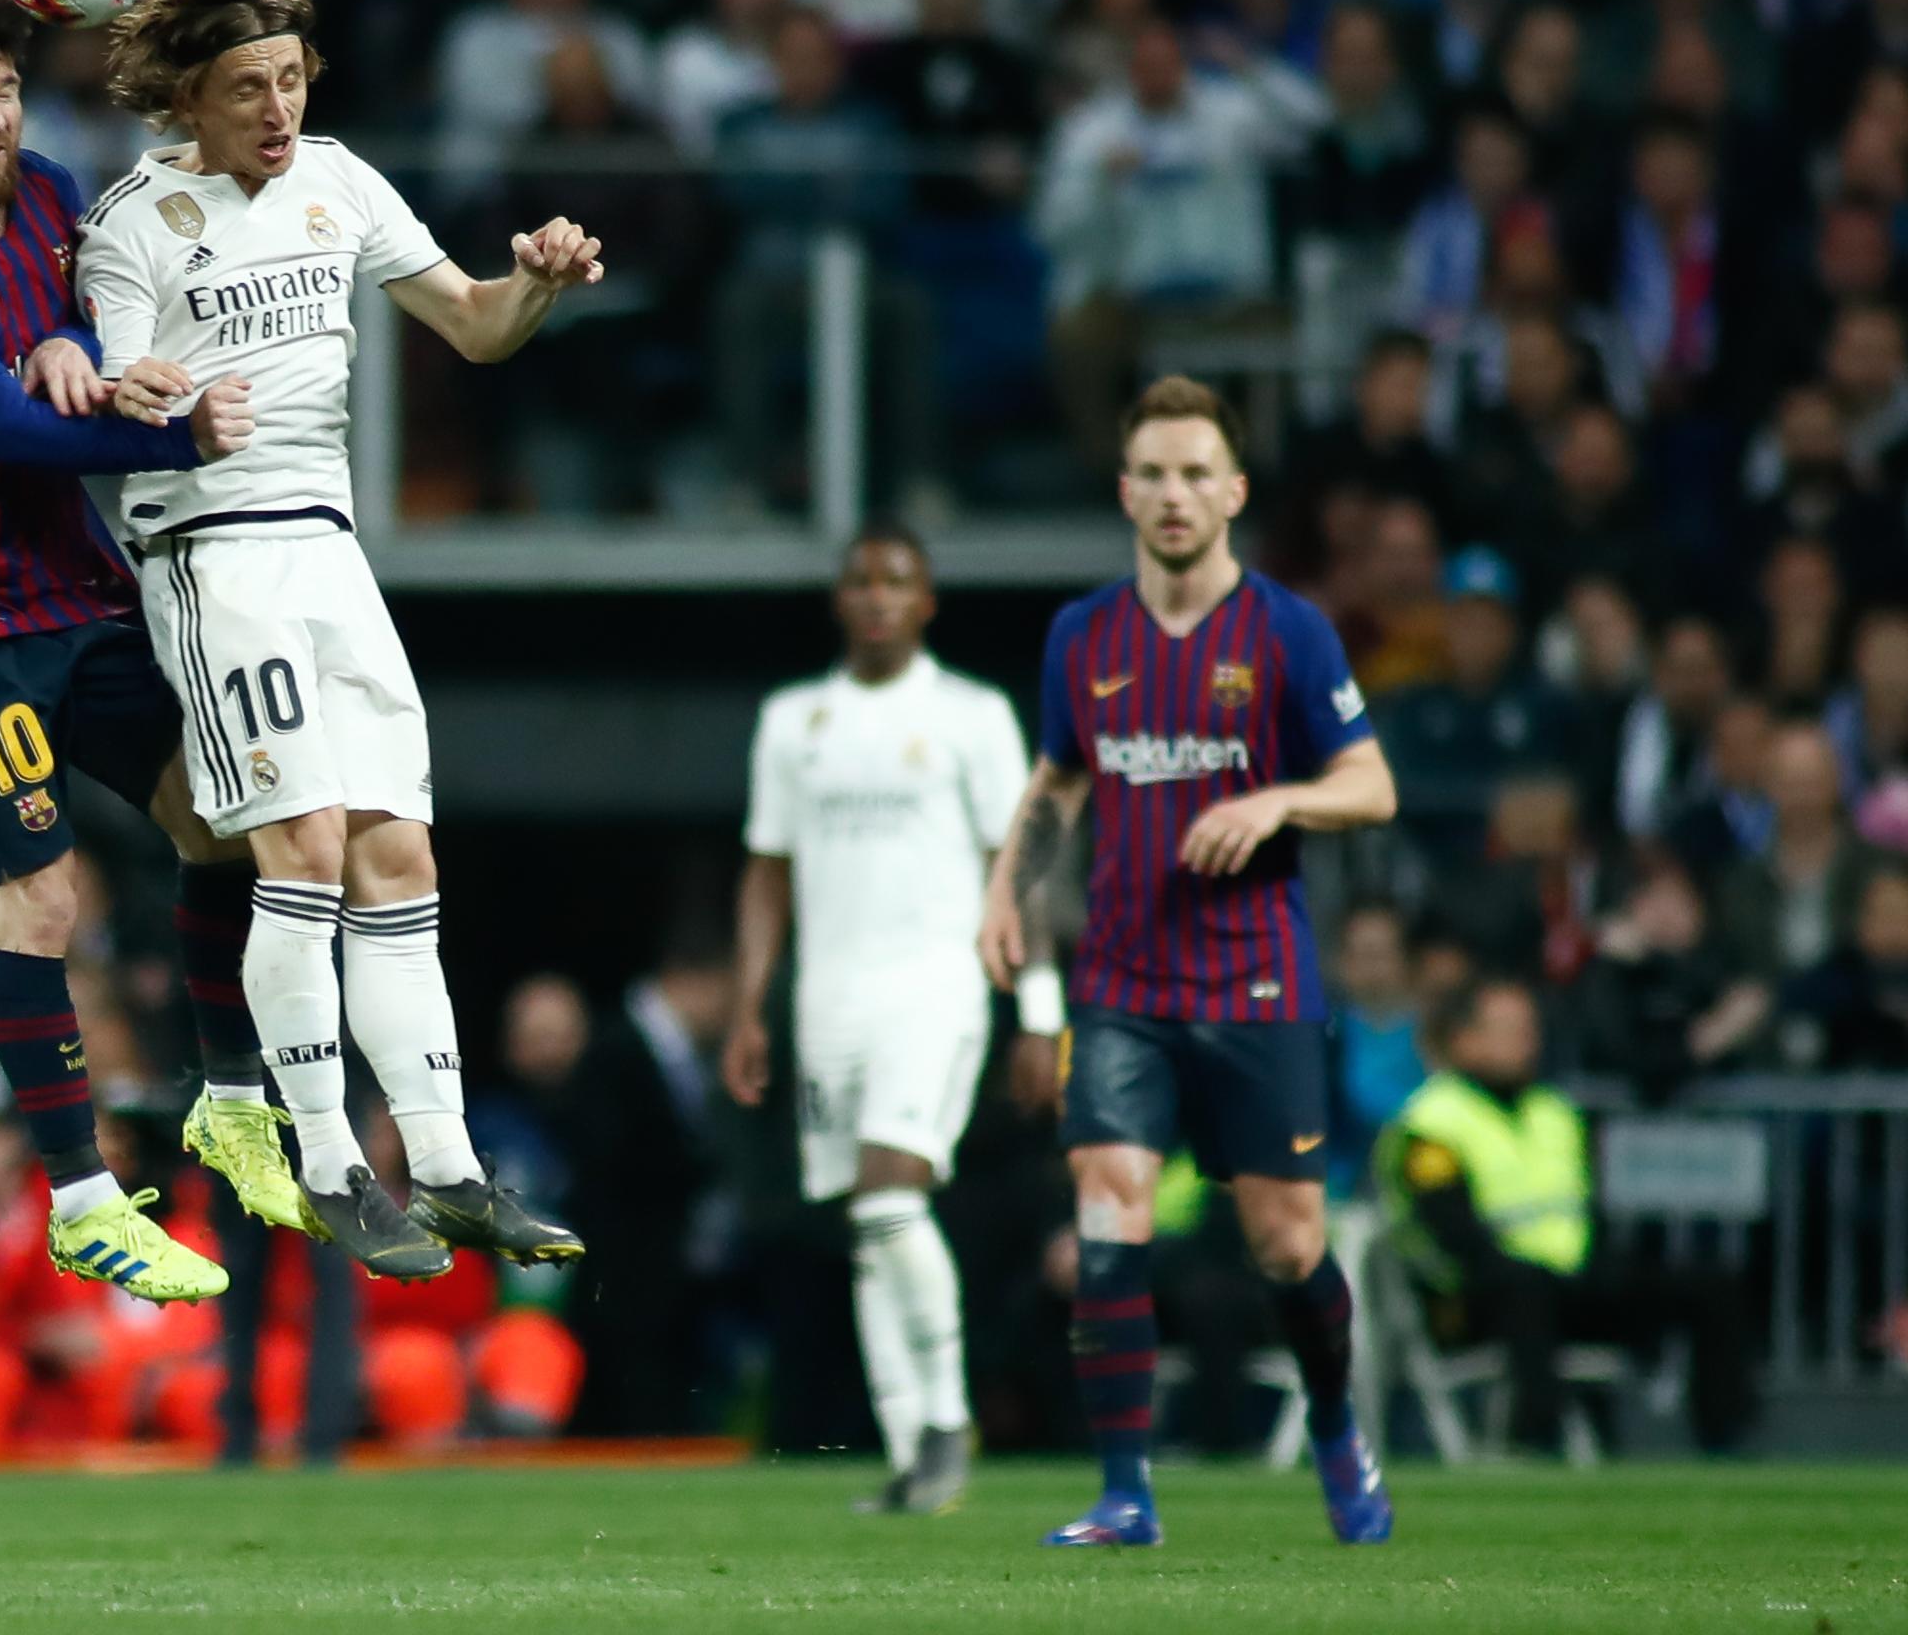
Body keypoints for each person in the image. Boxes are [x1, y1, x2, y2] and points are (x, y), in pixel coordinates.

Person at [82, 0, 598, 1277]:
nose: (277, 107)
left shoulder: (341, 178)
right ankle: (327, 1162)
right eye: (248, 85)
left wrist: (534, 277)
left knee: (398, 857)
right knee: (300, 842)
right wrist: (150, 387)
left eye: (292, 80)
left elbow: (478, 328)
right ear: (189, 95)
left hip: (331, 554)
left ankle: (451, 1166)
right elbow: (108, 383)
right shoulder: (135, 219)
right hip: (212, 550)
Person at [0, 0, 282, 1307]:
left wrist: (80, 345)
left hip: (76, 595)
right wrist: (171, 432)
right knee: (41, 899)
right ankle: (83, 1199)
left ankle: (232, 1100)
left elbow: (74, 323)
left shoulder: (50, 195)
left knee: (225, 818)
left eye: (10, 89)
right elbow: (6, 430)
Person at [978, 376, 1400, 1549]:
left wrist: (1274, 803)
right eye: (1153, 473)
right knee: (1111, 1207)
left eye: (1194, 473)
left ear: (1234, 489)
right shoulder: (1084, 633)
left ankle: (1334, 1428)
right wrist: (1005, 890)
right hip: (1121, 981)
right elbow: (1062, 779)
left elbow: (1373, 784)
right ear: (1126, 490)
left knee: (1287, 1243)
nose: (1173, 493)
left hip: (1258, 980)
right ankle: (1126, 1490)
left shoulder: (1289, 630)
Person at [724, 524, 1032, 1515]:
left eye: (897, 580)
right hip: (828, 997)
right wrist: (749, 1006)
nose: (877, 595)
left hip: (935, 980)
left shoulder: (972, 715)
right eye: (860, 579)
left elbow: (1016, 865)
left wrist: (1040, 1008)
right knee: (865, 1220)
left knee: (895, 1191)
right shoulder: (792, 719)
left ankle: (946, 1417)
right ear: (838, 598)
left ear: (927, 599)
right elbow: (767, 869)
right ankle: (913, 1456)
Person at [1376, 977, 1756, 1452]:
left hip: (1569, 1281)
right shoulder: (1433, 1121)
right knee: (1523, 1288)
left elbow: (1587, 1213)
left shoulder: (1555, 1111)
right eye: (1508, 1029)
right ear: (1463, 1039)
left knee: (1709, 1285)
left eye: (1530, 1028)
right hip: (1473, 1297)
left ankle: (1727, 1442)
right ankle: (1537, 1440)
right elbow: (1452, 1236)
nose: (1527, 1040)